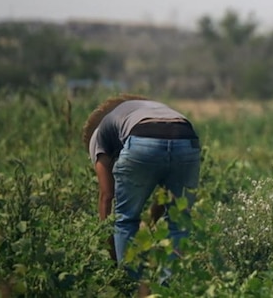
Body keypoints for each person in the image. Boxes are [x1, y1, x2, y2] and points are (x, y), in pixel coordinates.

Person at [82, 94, 201, 273]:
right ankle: (171, 284)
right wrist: (150, 222)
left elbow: (107, 196)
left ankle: (129, 280)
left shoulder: (98, 135)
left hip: (142, 138)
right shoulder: (145, 109)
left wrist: (110, 255)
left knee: (125, 219)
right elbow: (166, 191)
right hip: (186, 138)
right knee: (179, 221)